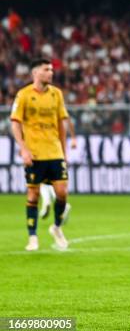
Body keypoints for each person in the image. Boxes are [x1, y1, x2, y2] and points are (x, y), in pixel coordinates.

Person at [10, 59, 71, 251]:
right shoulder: (24, 95)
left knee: (62, 193)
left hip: (54, 151)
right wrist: (23, 149)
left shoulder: (57, 94)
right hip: (34, 153)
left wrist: (64, 150)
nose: (51, 73)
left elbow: (61, 123)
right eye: (47, 70)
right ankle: (33, 237)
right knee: (33, 194)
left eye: (52, 70)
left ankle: (57, 227)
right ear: (36, 73)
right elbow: (15, 123)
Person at [40, 117, 77, 222]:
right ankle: (50, 202)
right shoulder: (57, 107)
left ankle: (48, 201)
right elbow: (68, 120)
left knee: (41, 179)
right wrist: (74, 137)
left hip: (49, 148)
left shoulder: (48, 108)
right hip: (58, 150)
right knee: (51, 181)